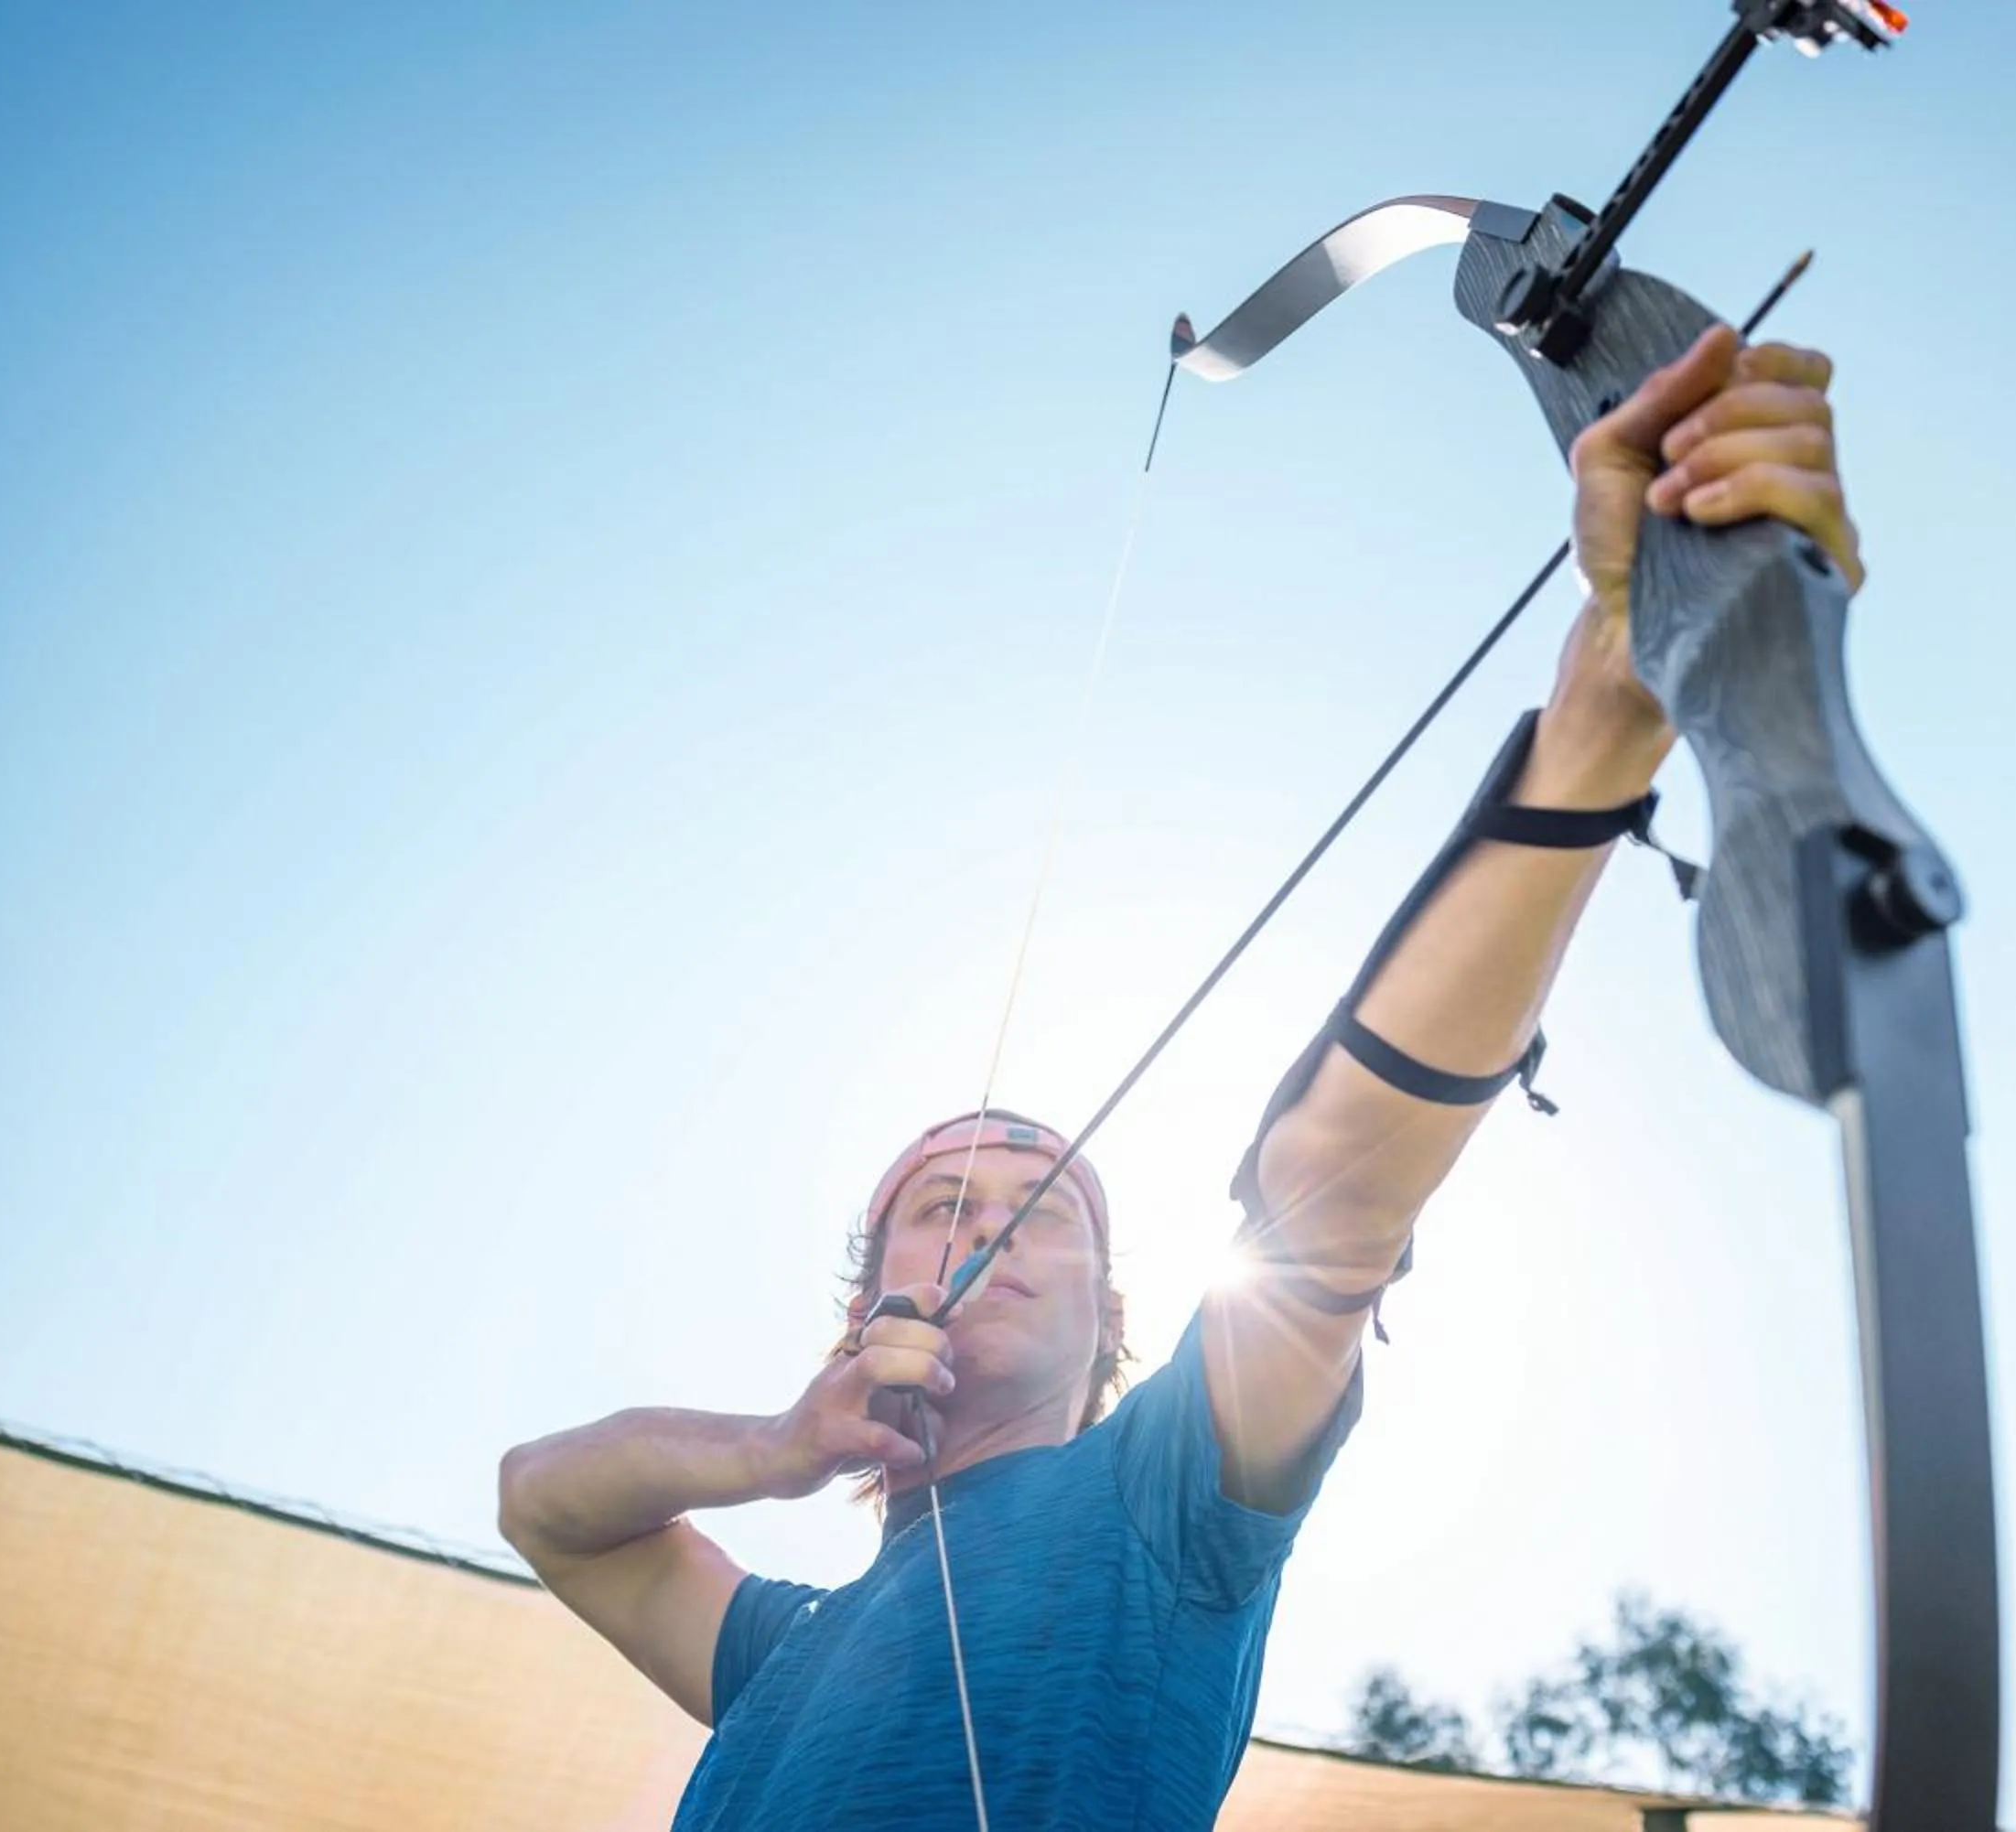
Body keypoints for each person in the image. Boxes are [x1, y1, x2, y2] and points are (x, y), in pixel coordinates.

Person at [495, 323, 1864, 1830]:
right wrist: (775, 1447)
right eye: (941, 1201)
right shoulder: (776, 1644)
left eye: (1045, 1208)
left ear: (1107, 1326)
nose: (992, 1223)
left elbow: (1333, 1200)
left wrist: (1615, 695)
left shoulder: (1163, 1496)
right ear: (864, 1296)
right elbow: (544, 1503)